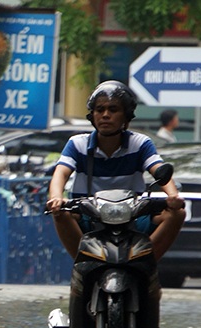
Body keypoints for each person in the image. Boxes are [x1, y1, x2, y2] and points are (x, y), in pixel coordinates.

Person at [45, 80, 185, 261]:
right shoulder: (77, 143)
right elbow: (61, 173)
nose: (105, 115)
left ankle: (144, 262)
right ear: (92, 115)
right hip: (88, 214)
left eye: (113, 110)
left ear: (126, 116)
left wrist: (173, 197)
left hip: (132, 216)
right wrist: (56, 198)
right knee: (61, 214)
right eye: (99, 109)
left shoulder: (140, 143)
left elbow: (158, 169)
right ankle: (84, 262)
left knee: (177, 214)